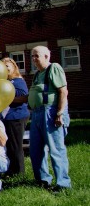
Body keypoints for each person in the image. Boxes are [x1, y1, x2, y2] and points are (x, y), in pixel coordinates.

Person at [28, 46, 71, 192]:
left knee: (56, 149)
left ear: (47, 56)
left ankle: (63, 184)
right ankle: (42, 180)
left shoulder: (54, 68)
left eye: (37, 56)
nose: (34, 59)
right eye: (32, 56)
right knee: (36, 150)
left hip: (50, 112)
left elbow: (63, 91)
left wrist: (59, 113)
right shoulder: (37, 74)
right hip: (36, 114)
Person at [1, 57, 30, 176]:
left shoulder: (18, 81)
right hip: (7, 117)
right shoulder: (4, 82)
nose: (5, 69)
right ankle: (11, 170)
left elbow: (24, 96)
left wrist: (8, 99)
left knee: (16, 146)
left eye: (7, 66)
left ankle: (19, 173)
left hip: (17, 117)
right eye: (3, 67)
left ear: (14, 67)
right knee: (9, 146)